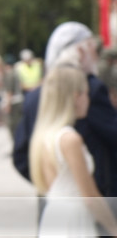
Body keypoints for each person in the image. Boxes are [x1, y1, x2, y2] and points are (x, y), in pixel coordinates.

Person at [13, 22, 117, 205]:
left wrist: (56, 186)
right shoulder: (91, 89)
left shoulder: (33, 97)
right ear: (81, 52)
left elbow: (22, 156)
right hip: (95, 202)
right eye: (94, 49)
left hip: (52, 203)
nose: (97, 55)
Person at [29, 66, 117, 236]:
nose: (88, 100)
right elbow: (90, 197)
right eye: (86, 94)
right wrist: (114, 228)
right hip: (74, 220)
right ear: (76, 97)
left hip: (54, 215)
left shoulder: (45, 135)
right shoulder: (70, 139)